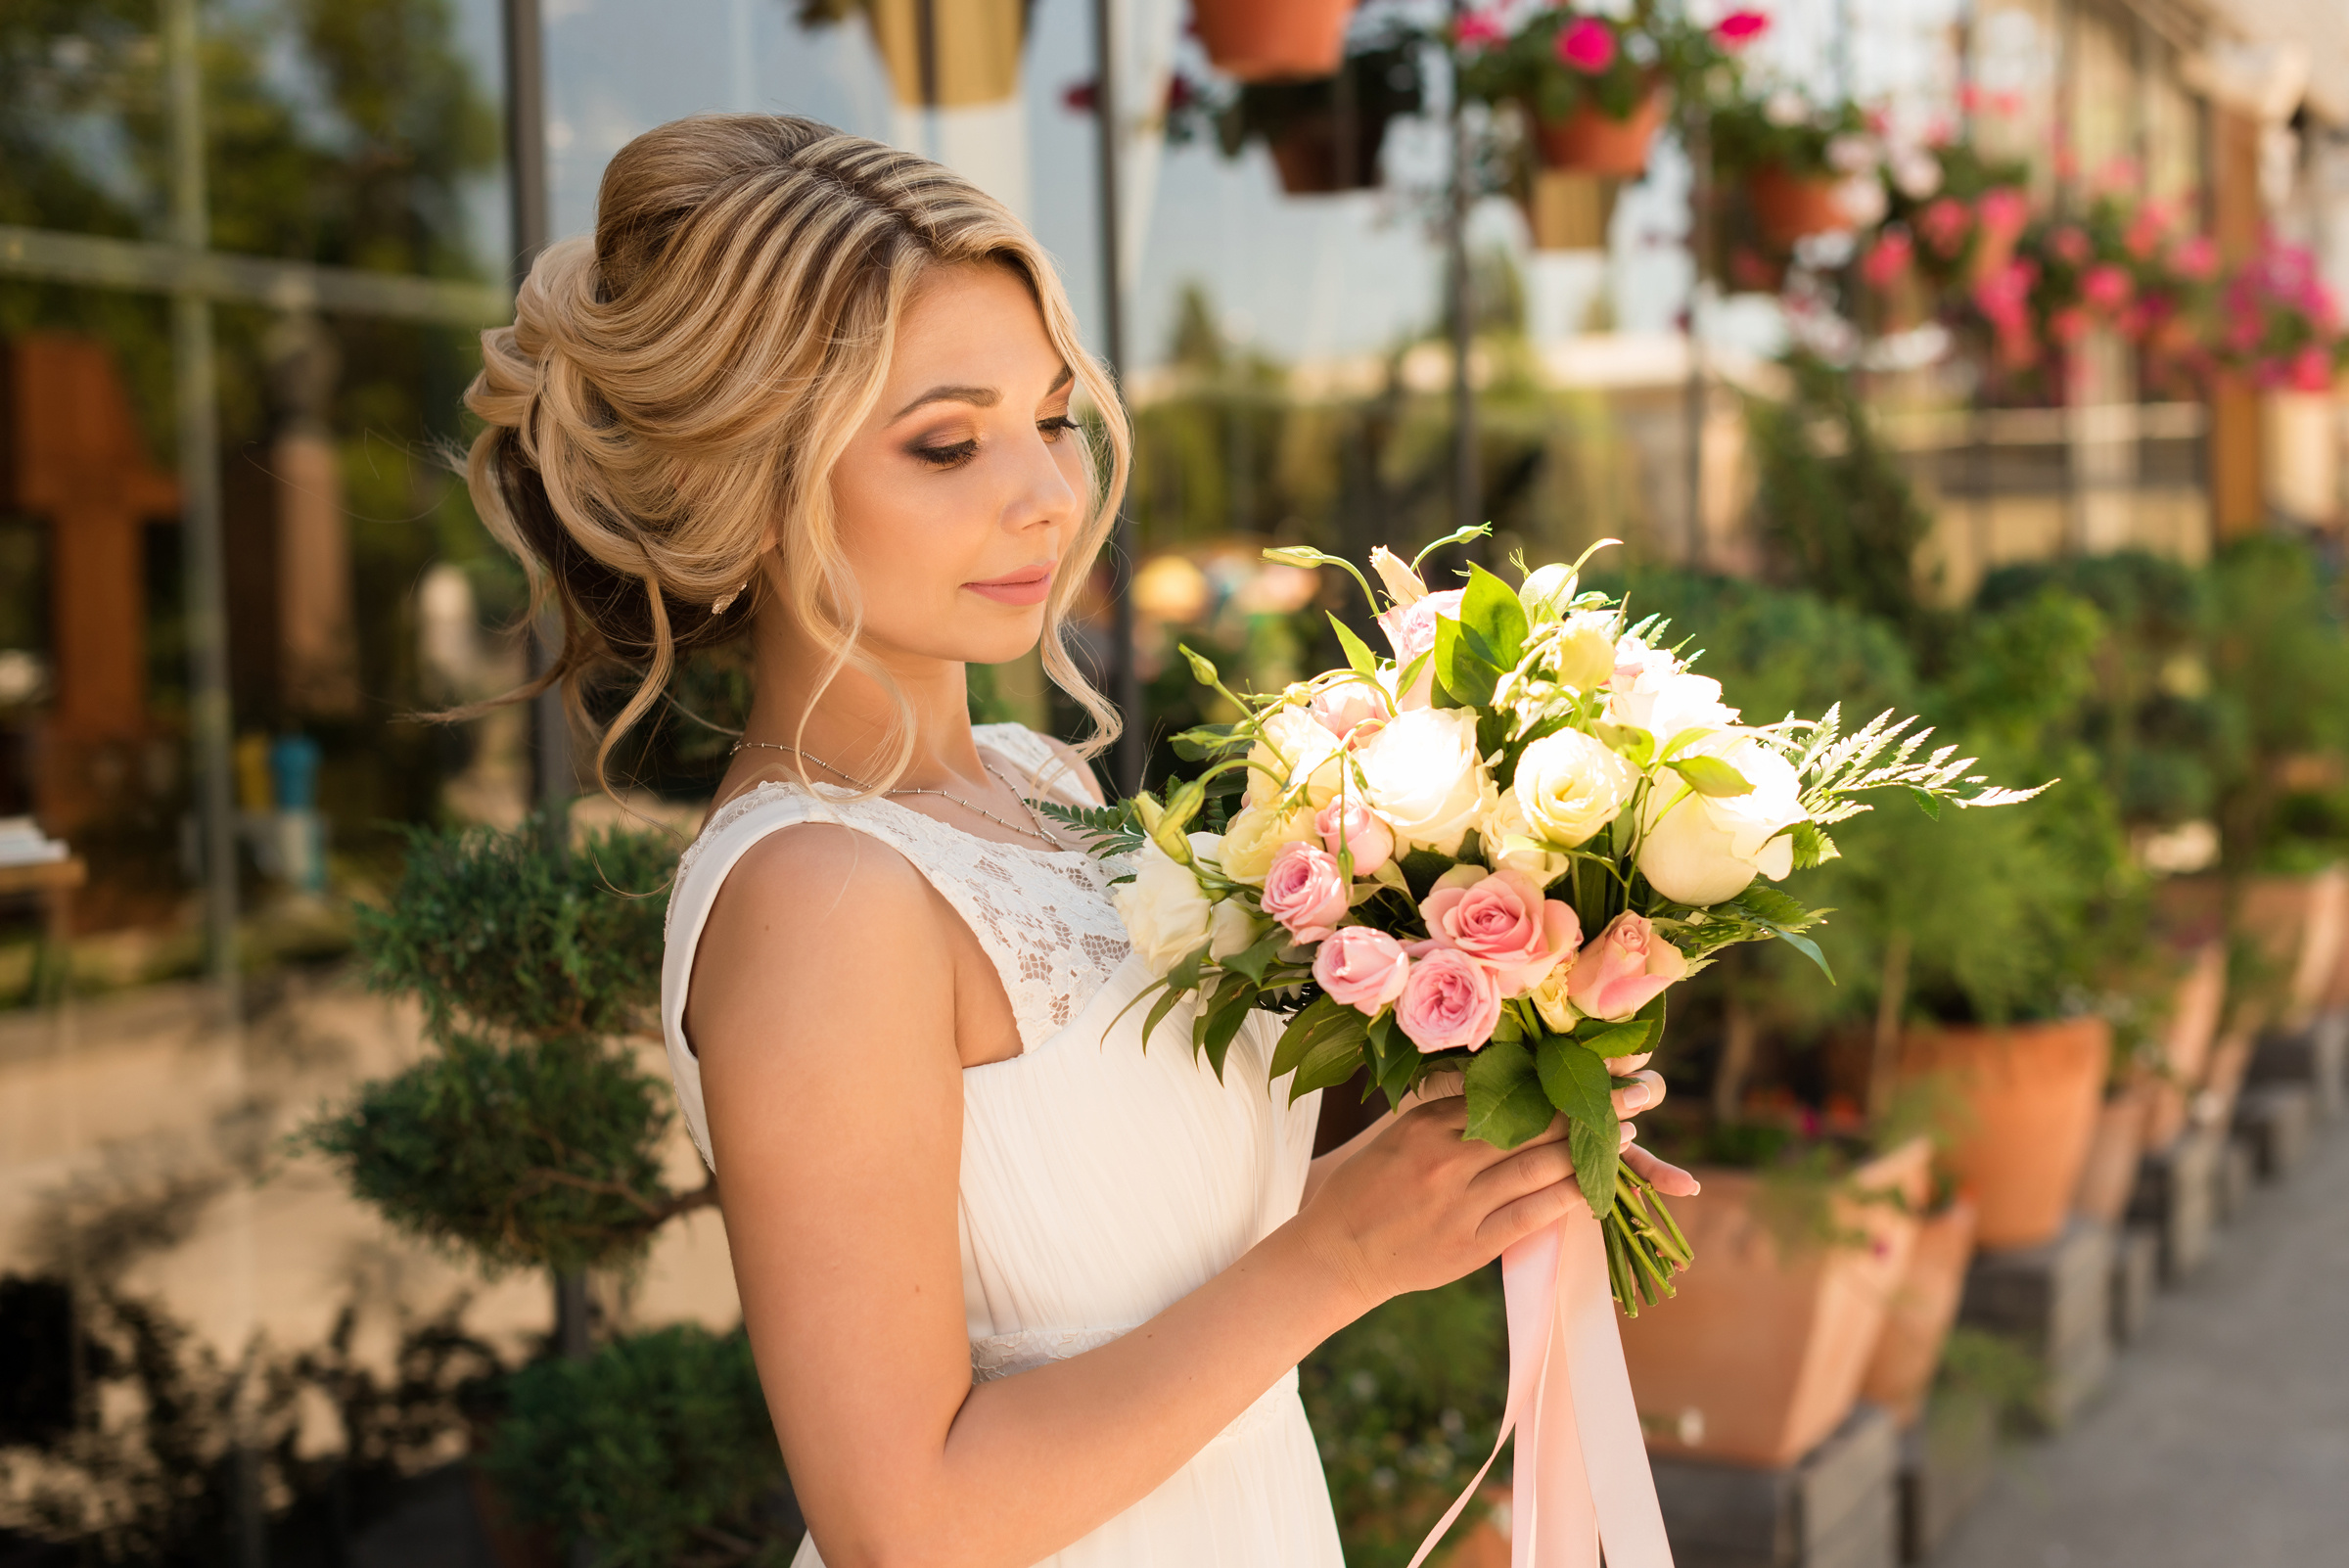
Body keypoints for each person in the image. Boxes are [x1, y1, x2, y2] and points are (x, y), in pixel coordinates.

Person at [460, 114, 1696, 1568]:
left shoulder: (1036, 776)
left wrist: (1469, 1142)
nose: (1047, 492)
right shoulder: (819, 895)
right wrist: (1338, 1257)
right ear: (756, 484)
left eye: (1051, 415)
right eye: (946, 441)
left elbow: (1143, 1234)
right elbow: (901, 1523)